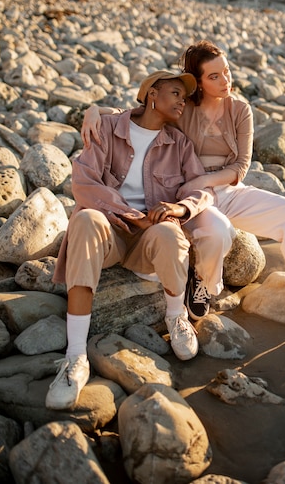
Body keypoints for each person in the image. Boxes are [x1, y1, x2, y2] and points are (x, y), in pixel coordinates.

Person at [82, 40, 285, 337]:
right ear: (199, 82)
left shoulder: (240, 109)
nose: (226, 81)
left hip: (227, 190)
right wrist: (96, 110)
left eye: (227, 71)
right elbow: (142, 113)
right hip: (187, 197)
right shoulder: (184, 108)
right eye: (214, 76)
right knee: (218, 232)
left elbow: (241, 166)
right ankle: (202, 283)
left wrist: (204, 180)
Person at [46, 70, 234, 411]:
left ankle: (176, 318)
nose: (181, 101)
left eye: (184, 97)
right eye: (175, 93)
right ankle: (75, 358)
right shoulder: (107, 128)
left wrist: (179, 207)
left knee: (167, 231)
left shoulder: (179, 145)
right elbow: (83, 182)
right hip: (108, 232)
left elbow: (201, 190)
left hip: (149, 240)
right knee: (85, 217)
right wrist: (130, 215)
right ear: (152, 95)